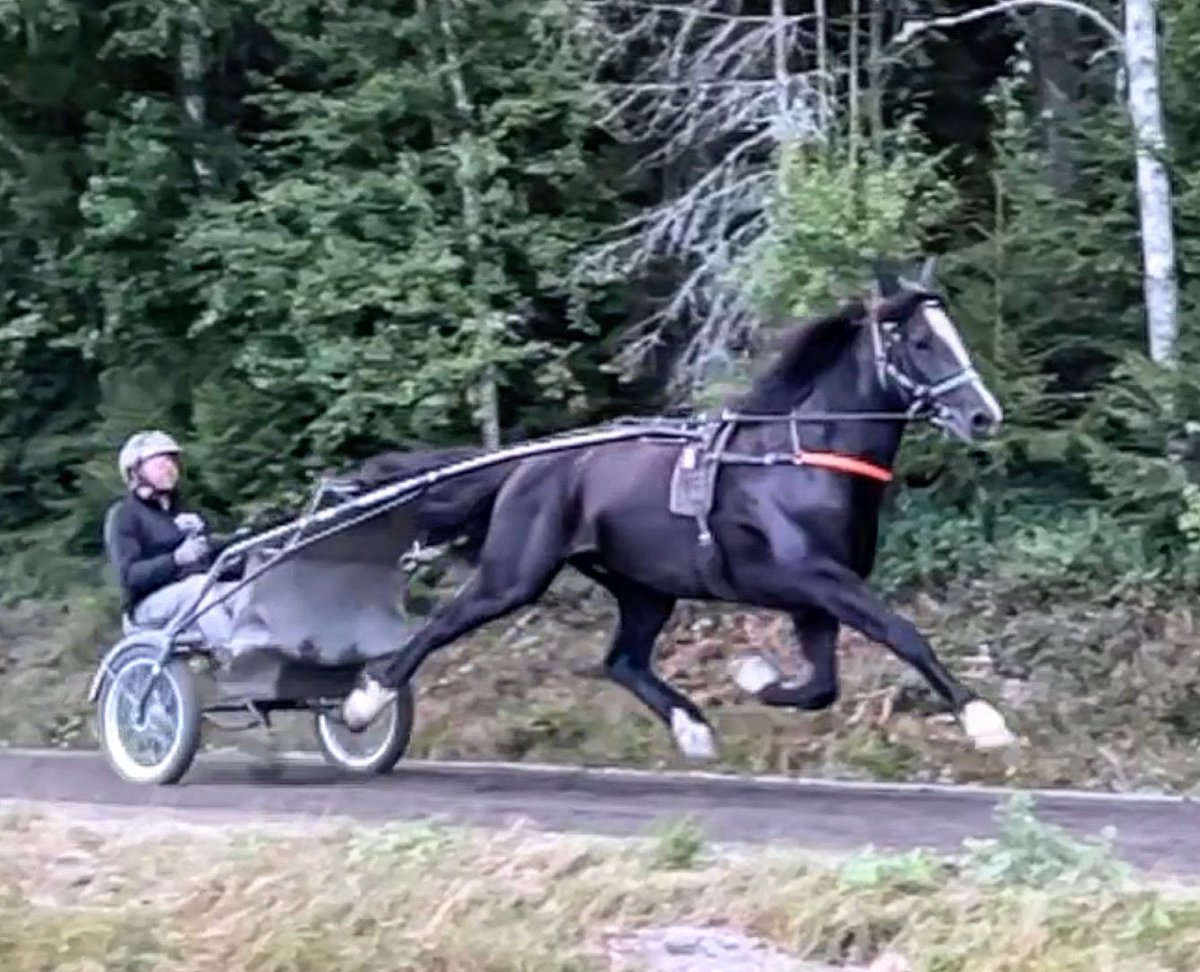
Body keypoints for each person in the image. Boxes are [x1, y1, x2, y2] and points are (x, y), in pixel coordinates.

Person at [108, 430, 240, 648]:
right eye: (159, 462)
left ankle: (274, 659)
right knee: (198, 588)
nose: (169, 467)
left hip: (198, 590)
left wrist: (238, 546)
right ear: (135, 470)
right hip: (148, 606)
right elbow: (130, 576)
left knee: (247, 589)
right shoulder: (125, 515)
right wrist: (176, 559)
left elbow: (210, 550)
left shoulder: (187, 510)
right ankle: (237, 661)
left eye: (172, 461)